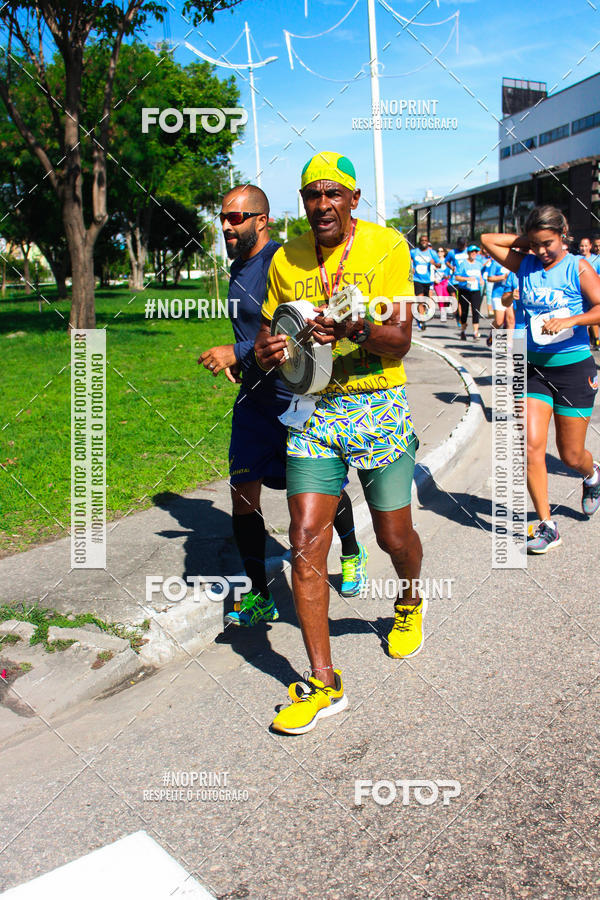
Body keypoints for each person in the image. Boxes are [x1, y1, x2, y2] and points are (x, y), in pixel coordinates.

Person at [255, 151, 424, 734]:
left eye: (333, 195)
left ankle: (408, 601)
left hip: (377, 400)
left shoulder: (385, 247)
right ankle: (323, 682)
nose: (321, 205)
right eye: (311, 196)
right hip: (315, 410)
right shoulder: (286, 258)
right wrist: (267, 351)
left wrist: (354, 327)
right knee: (304, 541)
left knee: (393, 535)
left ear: (353, 199)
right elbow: (268, 333)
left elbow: (400, 341)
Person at [199, 185, 367, 628]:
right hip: (255, 398)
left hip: (295, 398)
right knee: (242, 492)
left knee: (316, 489)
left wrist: (237, 351)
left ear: (262, 220)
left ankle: (351, 550)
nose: (226, 226)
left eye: (236, 218)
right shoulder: (237, 268)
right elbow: (256, 330)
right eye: (223, 218)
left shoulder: (283, 260)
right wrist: (246, 360)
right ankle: (259, 595)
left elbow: (310, 320)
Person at [482, 205, 600, 554]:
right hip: (532, 368)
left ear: (563, 233)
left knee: (570, 454)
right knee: (530, 446)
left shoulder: (577, 267)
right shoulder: (525, 263)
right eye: (536, 244)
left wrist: (571, 321)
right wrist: (529, 242)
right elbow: (487, 239)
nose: (542, 251)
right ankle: (547, 525)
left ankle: (591, 473)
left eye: (548, 242)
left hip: (573, 370)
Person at [454, 244, 485, 340]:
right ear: (468, 253)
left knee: (476, 311)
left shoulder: (478, 263)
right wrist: (467, 279)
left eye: (476, 252)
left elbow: (479, 274)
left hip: (476, 290)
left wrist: (481, 280)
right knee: (464, 312)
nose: (474, 253)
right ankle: (463, 331)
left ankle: (475, 332)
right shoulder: (463, 264)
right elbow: (457, 277)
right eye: (472, 252)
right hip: (464, 290)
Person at [410, 234, 440, 331]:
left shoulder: (432, 253)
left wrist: (434, 263)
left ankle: (422, 315)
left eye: (425, 240)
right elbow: (408, 260)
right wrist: (411, 268)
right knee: (420, 300)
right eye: (422, 240)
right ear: (420, 241)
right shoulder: (414, 252)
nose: (424, 242)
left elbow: (439, 264)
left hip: (428, 280)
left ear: (428, 242)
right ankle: (422, 320)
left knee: (427, 301)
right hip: (417, 279)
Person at [485, 258, 514, 347]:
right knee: (499, 321)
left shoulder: (513, 261)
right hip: (498, 295)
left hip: (510, 294)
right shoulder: (496, 262)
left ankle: (509, 344)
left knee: (511, 320)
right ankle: (492, 332)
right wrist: (503, 277)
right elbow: (489, 278)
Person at [579, 236, 600, 349]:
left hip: (595, 293)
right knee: (586, 318)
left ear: (590, 247)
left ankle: (596, 339)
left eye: (586, 246)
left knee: (595, 316)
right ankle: (592, 341)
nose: (583, 248)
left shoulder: (597, 260)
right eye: (581, 246)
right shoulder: (576, 259)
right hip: (582, 295)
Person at [445, 237, 468, 325]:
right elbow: (446, 261)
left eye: (463, 245)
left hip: (463, 281)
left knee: (461, 301)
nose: (462, 247)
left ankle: (461, 318)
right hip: (453, 280)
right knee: (454, 300)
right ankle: (457, 315)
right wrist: (452, 267)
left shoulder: (467, 251)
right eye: (460, 245)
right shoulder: (452, 252)